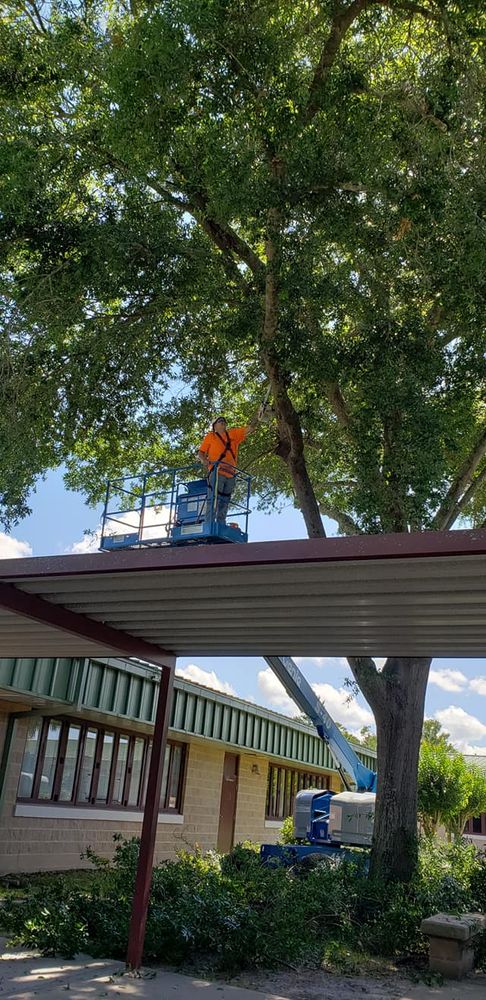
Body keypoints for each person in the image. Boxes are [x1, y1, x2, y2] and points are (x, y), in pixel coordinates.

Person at [197, 413, 259, 524]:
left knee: (225, 501)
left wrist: (259, 415)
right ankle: (209, 524)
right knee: (214, 499)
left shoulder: (233, 434)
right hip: (217, 472)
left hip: (230, 474)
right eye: (219, 420)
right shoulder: (211, 436)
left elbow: (250, 429)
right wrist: (204, 460)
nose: (222, 421)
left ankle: (221, 524)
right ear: (214, 426)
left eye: (224, 420)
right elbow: (201, 452)